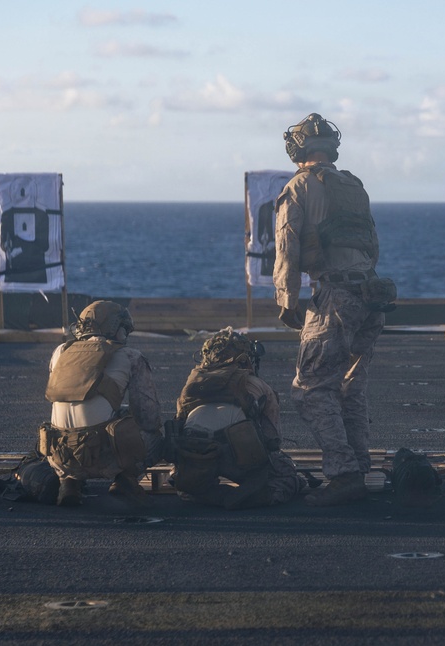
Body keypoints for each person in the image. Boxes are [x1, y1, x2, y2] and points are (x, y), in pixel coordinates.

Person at [273, 113, 396, 506]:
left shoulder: (299, 187)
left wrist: (286, 300)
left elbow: (287, 245)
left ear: (298, 149)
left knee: (310, 388)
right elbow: (372, 244)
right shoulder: (354, 185)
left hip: (335, 296)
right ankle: (360, 467)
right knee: (350, 387)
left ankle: (343, 475)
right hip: (371, 295)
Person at [39, 300, 163, 506]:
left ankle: (68, 482)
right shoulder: (130, 356)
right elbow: (148, 417)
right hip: (105, 460)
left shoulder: (60, 352)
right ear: (116, 328)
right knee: (156, 437)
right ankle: (126, 478)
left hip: (61, 457)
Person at [170, 328, 305, 509]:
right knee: (287, 476)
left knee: (186, 490)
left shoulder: (192, 384)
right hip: (237, 457)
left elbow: (178, 425)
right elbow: (272, 439)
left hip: (198, 456)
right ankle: (250, 496)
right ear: (245, 357)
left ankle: (208, 494)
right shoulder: (257, 384)